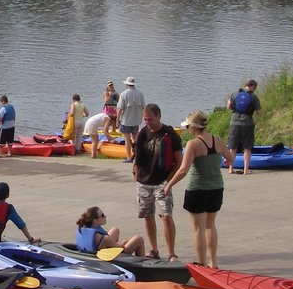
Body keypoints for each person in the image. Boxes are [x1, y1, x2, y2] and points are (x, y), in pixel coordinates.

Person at [165, 110, 235, 269]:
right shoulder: (217, 140)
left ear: (194, 127)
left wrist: (169, 185)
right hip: (217, 187)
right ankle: (213, 262)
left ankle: (201, 262)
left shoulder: (193, 144)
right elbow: (230, 158)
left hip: (198, 189)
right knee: (210, 225)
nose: (188, 129)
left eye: (189, 126)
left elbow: (183, 170)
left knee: (198, 228)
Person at [132, 103, 183, 262]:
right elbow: (137, 158)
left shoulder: (169, 133)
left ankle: (171, 252)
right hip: (144, 181)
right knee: (147, 215)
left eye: (150, 119)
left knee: (166, 216)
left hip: (162, 182)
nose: (148, 123)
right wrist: (135, 174)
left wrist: (169, 180)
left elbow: (179, 161)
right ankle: (153, 249)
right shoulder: (143, 134)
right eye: (145, 120)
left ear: (159, 116)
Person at [75, 206, 145, 256]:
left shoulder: (82, 228)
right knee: (138, 239)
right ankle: (143, 265)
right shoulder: (105, 239)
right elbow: (120, 247)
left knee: (115, 230)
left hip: (93, 252)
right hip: (107, 258)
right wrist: (124, 242)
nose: (105, 216)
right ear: (95, 220)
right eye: (102, 215)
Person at [226, 79, 263, 175]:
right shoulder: (253, 97)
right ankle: (246, 170)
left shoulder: (235, 94)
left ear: (246, 85)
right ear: (254, 87)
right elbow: (259, 113)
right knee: (247, 148)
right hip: (247, 124)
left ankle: (231, 169)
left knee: (232, 147)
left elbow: (228, 107)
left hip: (234, 123)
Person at [116, 76, 146, 162]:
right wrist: (145, 118)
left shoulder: (123, 94)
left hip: (126, 120)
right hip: (136, 120)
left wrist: (117, 119)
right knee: (136, 139)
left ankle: (129, 157)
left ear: (126, 85)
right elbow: (144, 107)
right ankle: (137, 157)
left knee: (127, 139)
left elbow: (119, 109)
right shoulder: (140, 94)